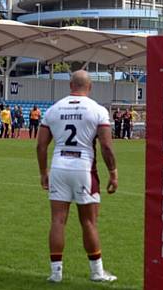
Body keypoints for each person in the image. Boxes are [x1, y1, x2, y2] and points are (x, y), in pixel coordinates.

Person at [37, 70, 118, 283]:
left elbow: (41, 145)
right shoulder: (97, 110)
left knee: (57, 220)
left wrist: (43, 172)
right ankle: (97, 272)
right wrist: (113, 172)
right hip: (84, 169)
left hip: (59, 167)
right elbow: (107, 146)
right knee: (89, 222)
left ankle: (55, 274)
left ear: (70, 85)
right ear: (90, 87)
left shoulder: (54, 109)